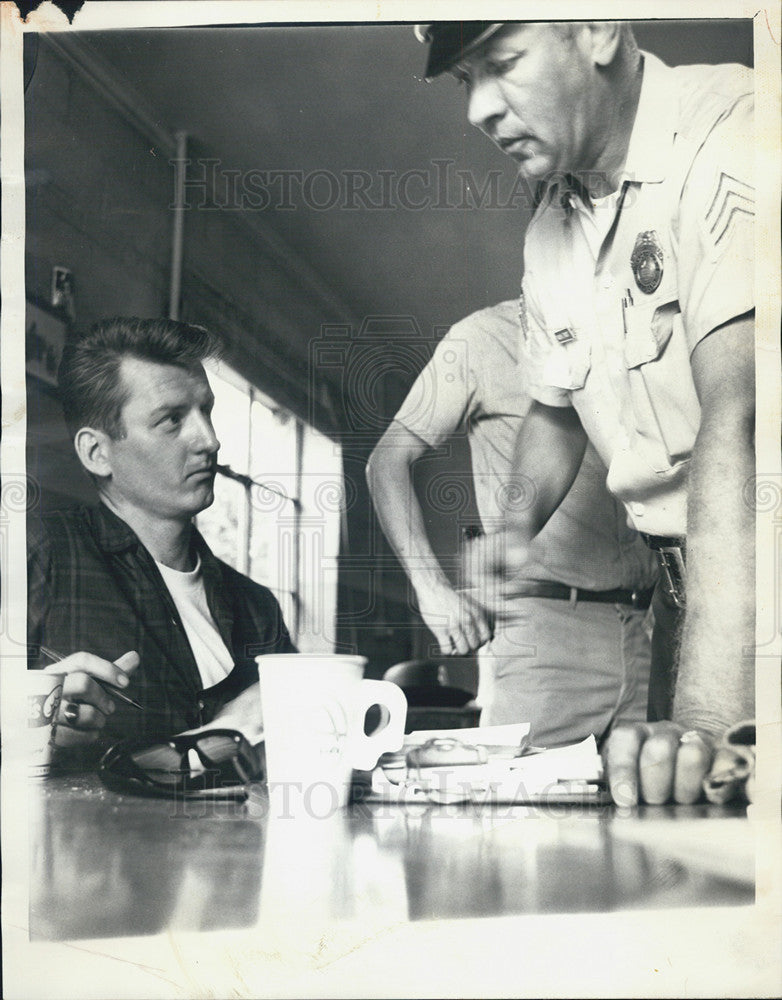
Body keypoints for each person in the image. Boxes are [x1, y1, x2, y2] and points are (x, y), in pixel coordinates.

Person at [415, 22, 755, 803]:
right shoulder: (550, 232)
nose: (477, 111)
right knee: (688, 850)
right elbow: (557, 409)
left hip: (755, 571)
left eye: (501, 65)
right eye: (466, 81)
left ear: (598, 27)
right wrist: (512, 537)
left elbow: (737, 419)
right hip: (677, 593)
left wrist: (704, 721)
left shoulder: (731, 127)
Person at [367, 299, 658, 748]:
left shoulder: (645, 329)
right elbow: (387, 461)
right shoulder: (480, 337)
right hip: (543, 636)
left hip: (650, 630)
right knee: (524, 812)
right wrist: (431, 589)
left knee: (661, 806)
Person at [28, 317, 295, 759]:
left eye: (205, 411)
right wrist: (28, 728)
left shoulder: (257, 609)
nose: (209, 440)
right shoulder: (38, 553)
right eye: (172, 420)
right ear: (97, 452)